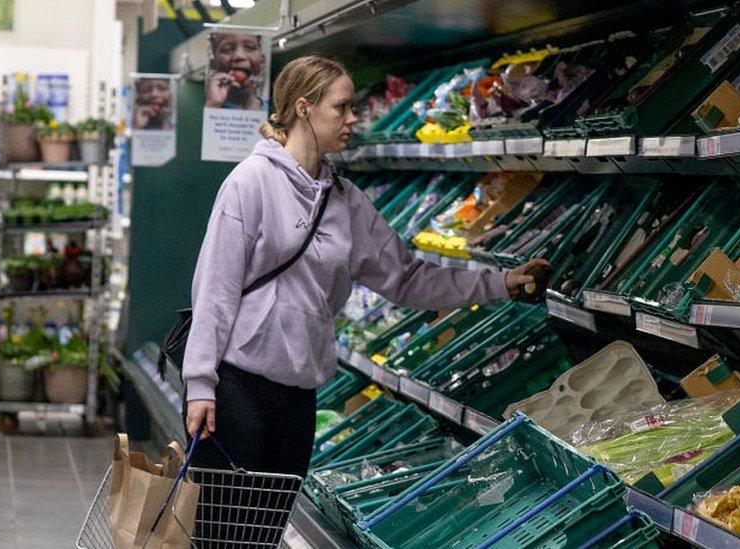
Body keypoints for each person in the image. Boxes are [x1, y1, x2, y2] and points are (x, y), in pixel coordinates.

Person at [183, 54, 546, 486]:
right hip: (238, 385)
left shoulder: (346, 200)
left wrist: (500, 283)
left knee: (269, 521)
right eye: (341, 107)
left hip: (299, 393)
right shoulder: (250, 182)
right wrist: (201, 382)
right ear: (304, 108)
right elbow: (215, 289)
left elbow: (408, 278)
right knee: (227, 525)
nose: (352, 118)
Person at [205, 32, 266, 110]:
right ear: (213, 63)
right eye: (227, 49)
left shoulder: (272, 112)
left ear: (262, 62)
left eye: (249, 48)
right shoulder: (211, 106)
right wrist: (213, 105)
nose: (239, 55)